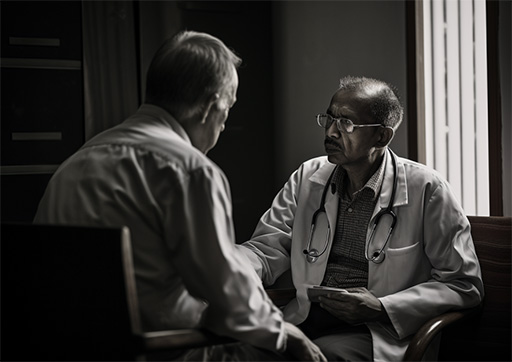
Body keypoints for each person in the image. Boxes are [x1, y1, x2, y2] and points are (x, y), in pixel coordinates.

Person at [34, 30, 326, 362]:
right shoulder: (189, 171)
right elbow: (229, 297)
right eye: (227, 110)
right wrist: (285, 333)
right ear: (211, 106)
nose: (224, 126)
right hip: (158, 349)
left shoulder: (77, 161)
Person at [238, 76, 484, 361]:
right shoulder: (308, 177)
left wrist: (381, 307)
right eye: (329, 118)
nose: (331, 132)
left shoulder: (427, 189)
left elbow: (464, 284)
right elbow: (265, 249)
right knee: (235, 349)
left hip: (377, 331)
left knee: (324, 355)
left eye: (346, 123)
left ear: (382, 136)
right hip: (308, 319)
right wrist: (225, 265)